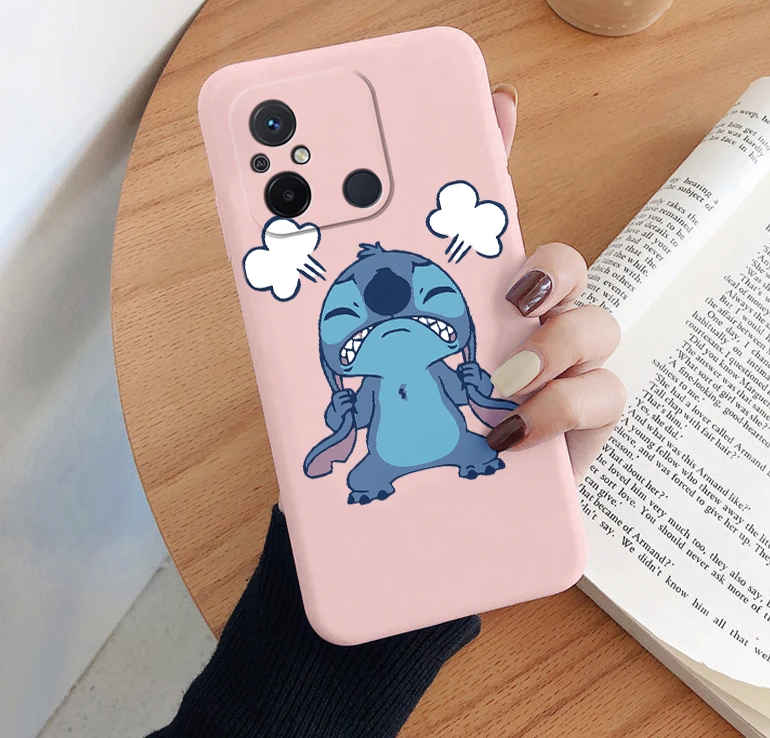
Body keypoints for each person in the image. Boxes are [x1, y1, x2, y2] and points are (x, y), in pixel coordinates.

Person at [148, 90, 625, 737]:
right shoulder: (367, 384)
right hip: (365, 531)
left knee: (458, 444)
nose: (390, 303)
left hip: (427, 499)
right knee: (380, 465)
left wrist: (490, 403)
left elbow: (474, 399)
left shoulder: (436, 363)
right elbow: (351, 433)